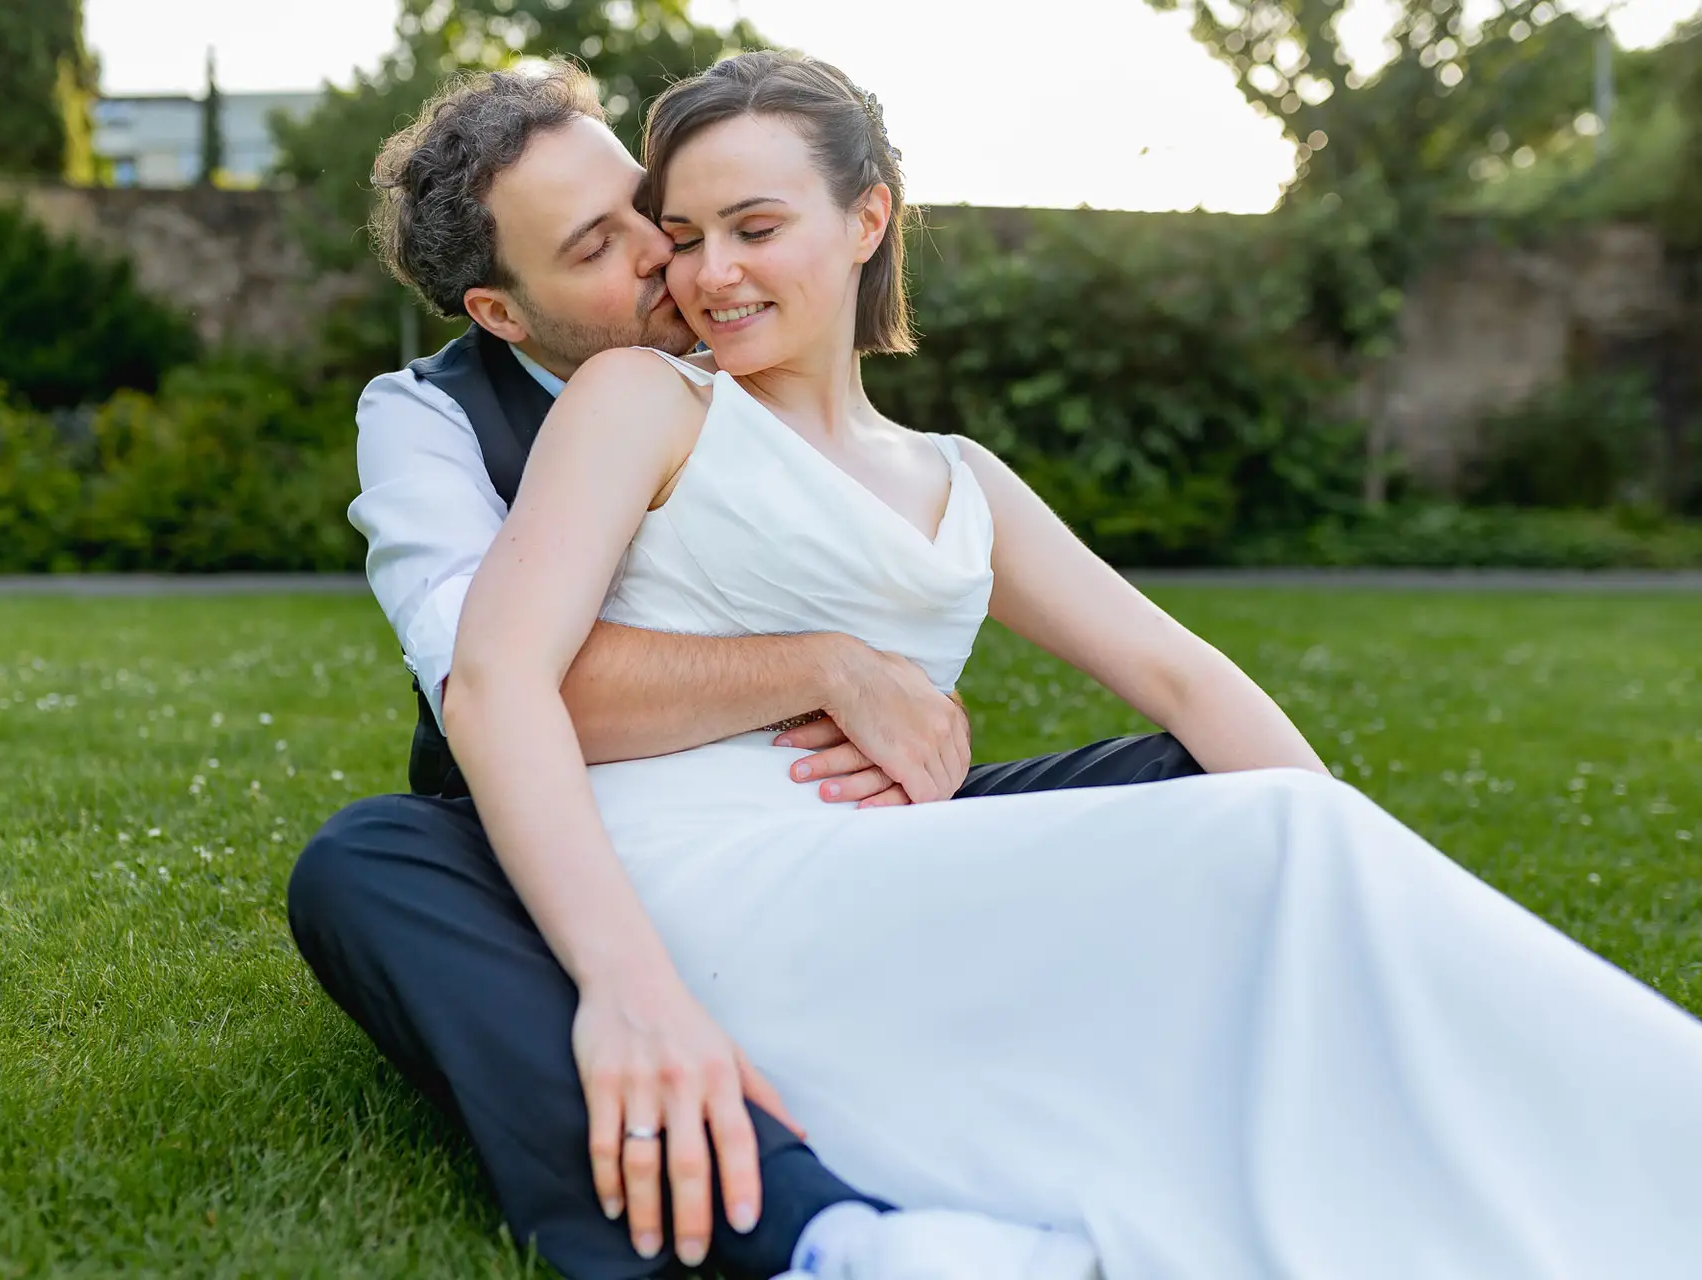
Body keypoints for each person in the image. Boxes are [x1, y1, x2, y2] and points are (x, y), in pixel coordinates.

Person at [440, 49, 1702, 1280]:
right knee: (1270, 850)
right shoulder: (645, 402)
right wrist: (620, 984)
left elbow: (1185, 680)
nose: (709, 272)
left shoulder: (963, 480)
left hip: (893, 862)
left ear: (866, 215)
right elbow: (497, 680)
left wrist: (1356, 864)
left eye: (755, 227)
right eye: (686, 232)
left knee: (1292, 836)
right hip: (706, 880)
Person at [287, 63, 1201, 1280]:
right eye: (601, 246)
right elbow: (494, 685)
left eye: (648, 211)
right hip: (567, 838)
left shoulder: (757, 347)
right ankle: (806, 1227)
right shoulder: (428, 422)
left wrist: (907, 693)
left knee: (1191, 785)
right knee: (365, 863)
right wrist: (830, 668)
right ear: (502, 312)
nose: (673, 261)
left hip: (835, 812)